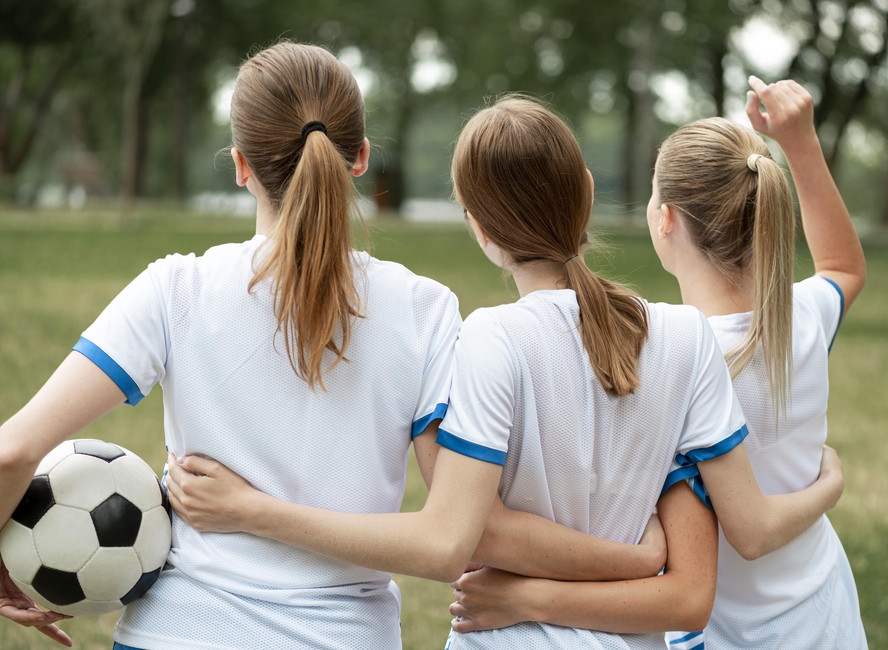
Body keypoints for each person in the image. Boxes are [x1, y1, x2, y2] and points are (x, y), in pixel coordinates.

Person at [0, 42, 665, 650]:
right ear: (361, 157)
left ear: (240, 166)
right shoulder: (425, 310)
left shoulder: (176, 289)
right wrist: (638, 557)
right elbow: (451, 538)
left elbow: (12, 451)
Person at [163, 96, 838, 649]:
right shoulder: (685, 336)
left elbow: (461, 533)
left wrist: (251, 510)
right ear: (588, 194)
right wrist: (635, 561)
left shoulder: (488, 339)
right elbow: (691, 599)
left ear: (479, 228)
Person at [447, 79, 865, 649]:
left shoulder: (676, 358)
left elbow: (735, 536)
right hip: (826, 615)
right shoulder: (800, 318)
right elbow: (843, 266)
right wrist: (799, 142)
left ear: (664, 218)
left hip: (729, 634)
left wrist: (527, 596)